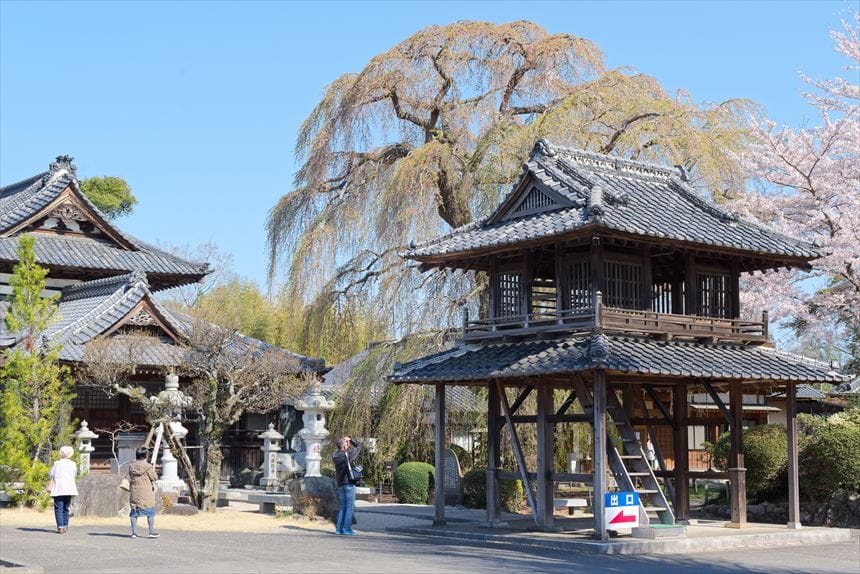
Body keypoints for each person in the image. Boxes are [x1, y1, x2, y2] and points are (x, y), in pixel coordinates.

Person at [332, 436, 361, 536]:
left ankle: (339, 529)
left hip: (340, 484)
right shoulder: (347, 455)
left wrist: (345, 442)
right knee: (350, 507)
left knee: (342, 507)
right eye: (346, 443)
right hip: (349, 483)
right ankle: (347, 529)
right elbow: (358, 447)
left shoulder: (335, 456)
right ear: (344, 445)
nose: (348, 444)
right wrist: (352, 439)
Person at [128, 447, 160, 539]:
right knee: (150, 512)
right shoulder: (148, 467)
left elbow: (131, 475)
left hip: (135, 491)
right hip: (146, 492)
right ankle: (151, 531)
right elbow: (154, 477)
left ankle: (134, 533)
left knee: (134, 511)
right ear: (146, 456)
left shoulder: (131, 466)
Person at [48, 446, 78, 534]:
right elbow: (75, 474)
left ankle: (60, 527)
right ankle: (65, 525)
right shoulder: (73, 464)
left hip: (58, 488)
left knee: (58, 508)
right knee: (66, 507)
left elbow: (50, 474)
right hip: (69, 488)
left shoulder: (57, 464)